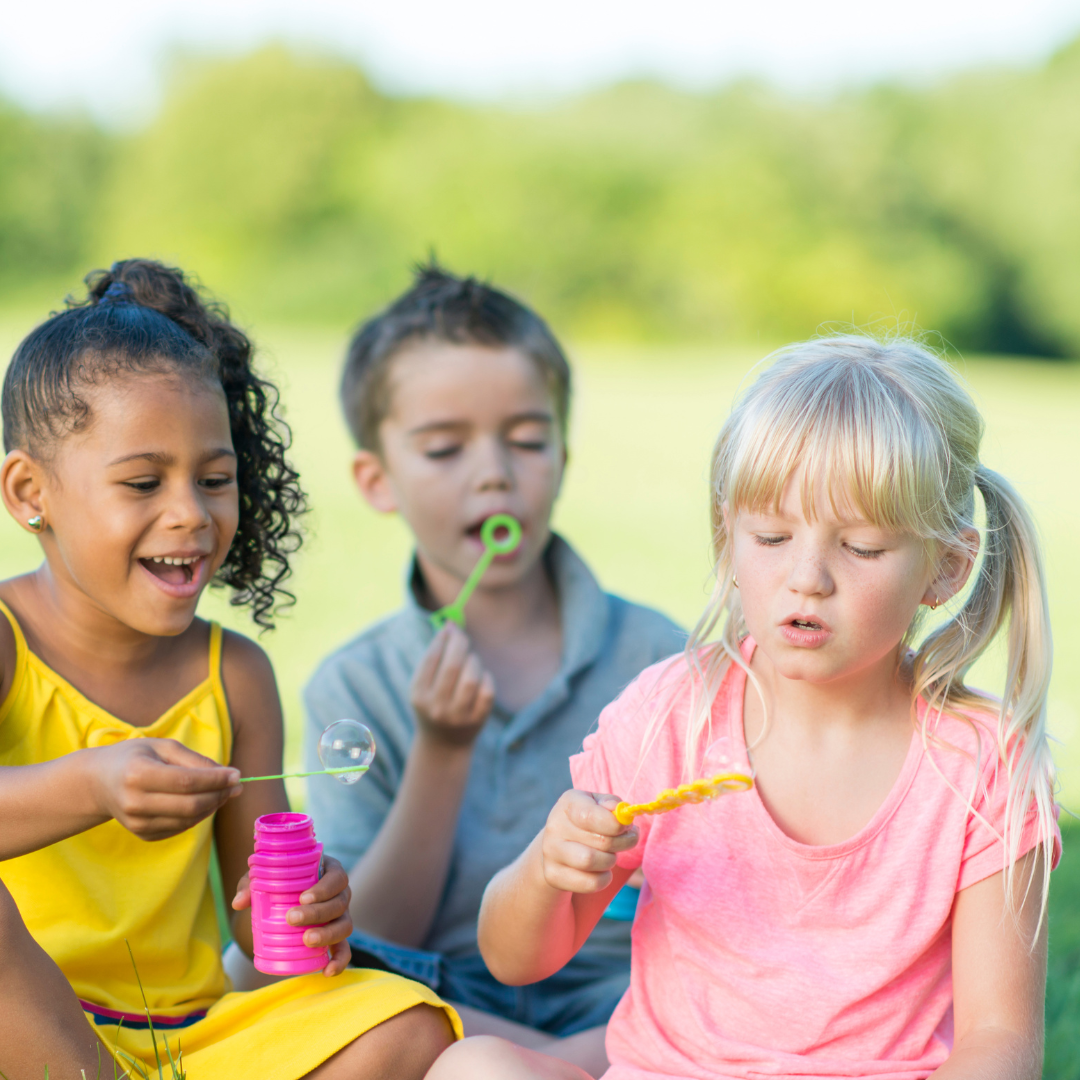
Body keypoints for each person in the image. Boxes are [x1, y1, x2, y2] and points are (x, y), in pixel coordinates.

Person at [430, 334, 1062, 1080]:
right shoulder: (670, 717)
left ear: (946, 568)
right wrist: (547, 866)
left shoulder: (979, 760)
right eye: (771, 536)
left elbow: (1000, 1042)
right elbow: (514, 960)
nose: (807, 578)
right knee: (474, 1069)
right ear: (730, 539)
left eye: (860, 547)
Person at [0, 260, 459, 1080]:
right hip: (32, 1037)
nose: (191, 513)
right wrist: (92, 784)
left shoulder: (232, 674)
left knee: (409, 1021)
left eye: (215, 480)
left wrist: (309, 904)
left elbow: (262, 939)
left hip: (187, 1038)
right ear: (30, 491)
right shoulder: (7, 640)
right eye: (143, 482)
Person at [299, 265, 684, 1075]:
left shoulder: (659, 659)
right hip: (438, 995)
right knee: (323, 990)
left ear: (563, 456)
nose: (494, 472)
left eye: (527, 440)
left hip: (623, 992)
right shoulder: (353, 686)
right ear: (377, 480)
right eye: (444, 447)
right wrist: (441, 750)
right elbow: (374, 934)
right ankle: (566, 1063)